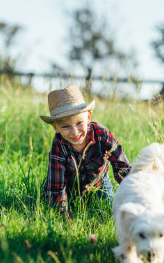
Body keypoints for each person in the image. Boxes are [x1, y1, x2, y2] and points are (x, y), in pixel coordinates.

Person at [40, 84, 132, 218]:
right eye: (65, 126)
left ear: (88, 117)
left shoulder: (102, 134)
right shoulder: (59, 145)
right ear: (56, 128)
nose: (75, 132)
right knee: (55, 207)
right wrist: (64, 216)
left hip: (98, 182)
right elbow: (56, 187)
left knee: (107, 209)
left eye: (79, 123)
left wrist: (134, 192)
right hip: (69, 185)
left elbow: (122, 167)